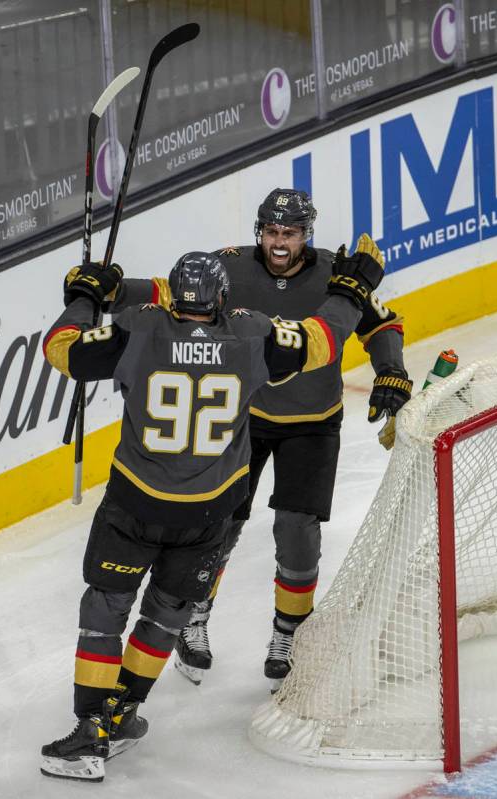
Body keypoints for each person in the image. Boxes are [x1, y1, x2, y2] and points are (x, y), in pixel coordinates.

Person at [40, 240, 384, 781]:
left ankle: (91, 729)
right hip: (207, 511)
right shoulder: (250, 335)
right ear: (221, 297)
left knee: (108, 606)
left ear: (175, 298)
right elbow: (321, 342)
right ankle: (124, 714)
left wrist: (85, 297)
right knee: (166, 610)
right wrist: (351, 290)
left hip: (136, 500)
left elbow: (62, 349)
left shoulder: (140, 328)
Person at [107, 190, 412, 691]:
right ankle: (196, 615)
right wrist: (111, 288)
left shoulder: (337, 275)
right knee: (218, 527)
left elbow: (383, 323)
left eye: (289, 233)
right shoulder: (233, 270)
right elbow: (167, 292)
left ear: (305, 234)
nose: (278, 243)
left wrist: (391, 371)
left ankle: (289, 635)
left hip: (314, 423)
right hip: (242, 422)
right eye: (271, 232)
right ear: (260, 231)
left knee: (298, 532)